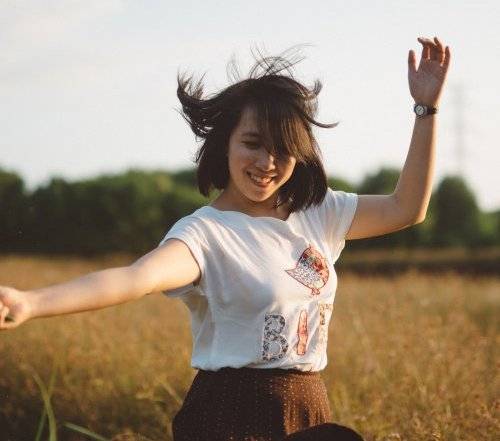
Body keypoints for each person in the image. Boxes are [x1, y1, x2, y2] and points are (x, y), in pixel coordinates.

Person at [0, 37, 450, 441]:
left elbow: (406, 208)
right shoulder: (206, 234)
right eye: (253, 143)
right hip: (230, 415)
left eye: (283, 148)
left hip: (308, 407)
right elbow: (134, 279)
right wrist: (31, 302)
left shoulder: (319, 212)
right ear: (226, 143)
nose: (267, 162)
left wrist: (425, 111)